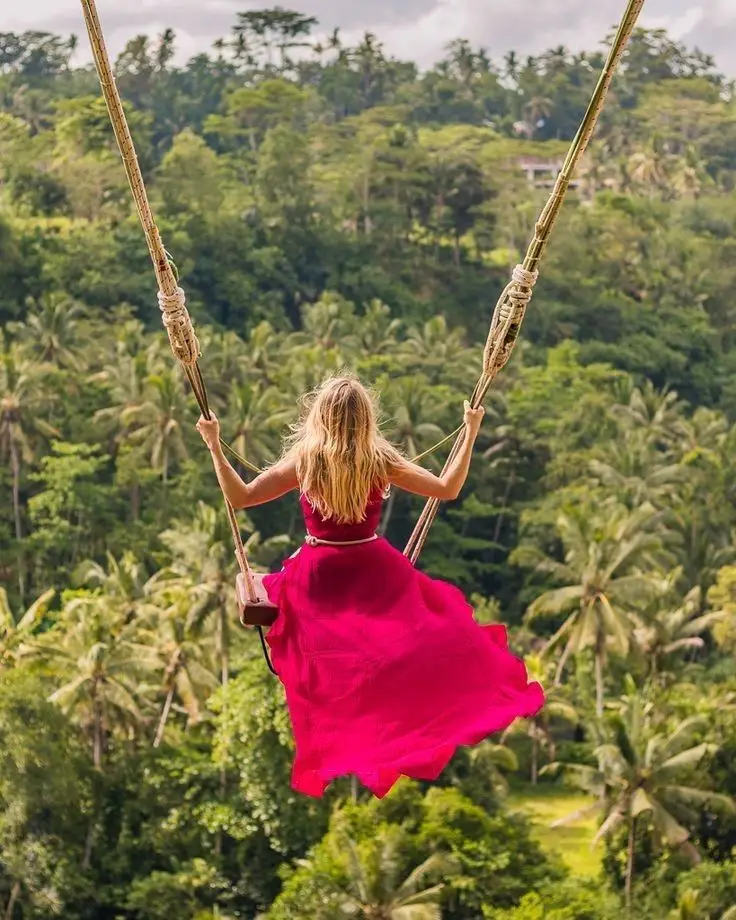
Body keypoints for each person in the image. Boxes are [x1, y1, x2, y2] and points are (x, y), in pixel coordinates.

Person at [196, 374, 544, 798]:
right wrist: (470, 432)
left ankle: (350, 728)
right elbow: (447, 488)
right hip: (374, 569)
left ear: (319, 416)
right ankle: (394, 723)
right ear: (365, 418)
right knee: (421, 639)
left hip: (319, 575)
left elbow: (242, 497)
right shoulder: (378, 459)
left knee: (329, 662)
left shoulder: (307, 460)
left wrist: (214, 445)